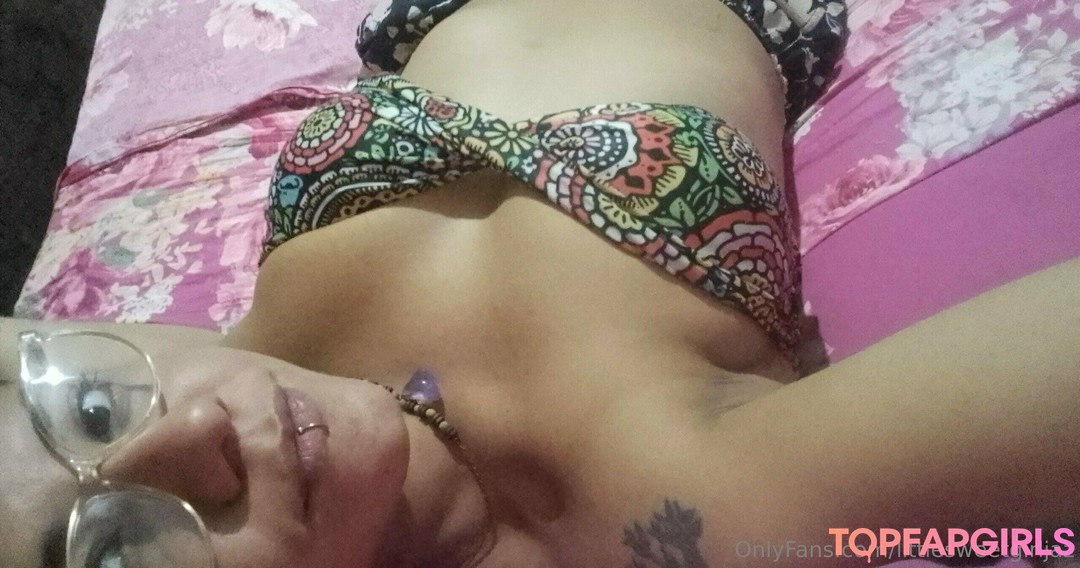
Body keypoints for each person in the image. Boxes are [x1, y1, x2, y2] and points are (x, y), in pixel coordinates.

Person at [2, 0, 1078, 566]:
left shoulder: (205, 370)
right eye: (118, 558)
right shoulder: (680, 502)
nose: (194, 432)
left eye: (92, 412)